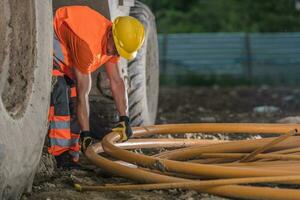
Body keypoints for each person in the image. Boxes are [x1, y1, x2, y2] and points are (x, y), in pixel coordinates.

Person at [48, 5, 145, 168]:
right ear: (111, 33)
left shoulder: (113, 40)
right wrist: (86, 133)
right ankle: (60, 154)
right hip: (53, 43)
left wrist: (124, 119)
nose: (115, 54)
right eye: (116, 49)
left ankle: (72, 154)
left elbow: (117, 81)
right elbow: (82, 94)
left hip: (71, 48)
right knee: (62, 95)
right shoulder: (88, 45)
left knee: (73, 98)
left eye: (119, 52)